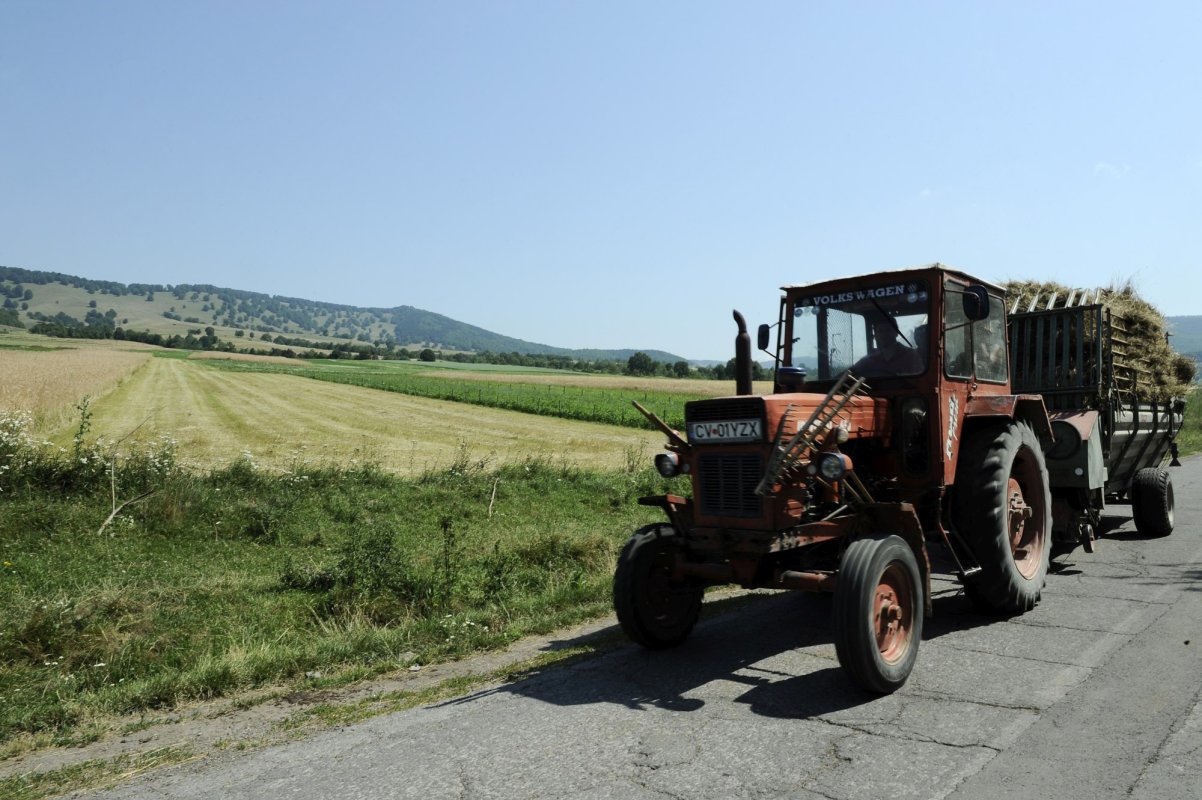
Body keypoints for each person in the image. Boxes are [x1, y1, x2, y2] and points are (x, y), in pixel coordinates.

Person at [853, 319, 924, 377]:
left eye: (888, 330)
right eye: (880, 331)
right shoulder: (869, 360)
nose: (884, 334)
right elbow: (850, 374)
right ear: (875, 335)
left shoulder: (912, 356)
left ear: (896, 333)